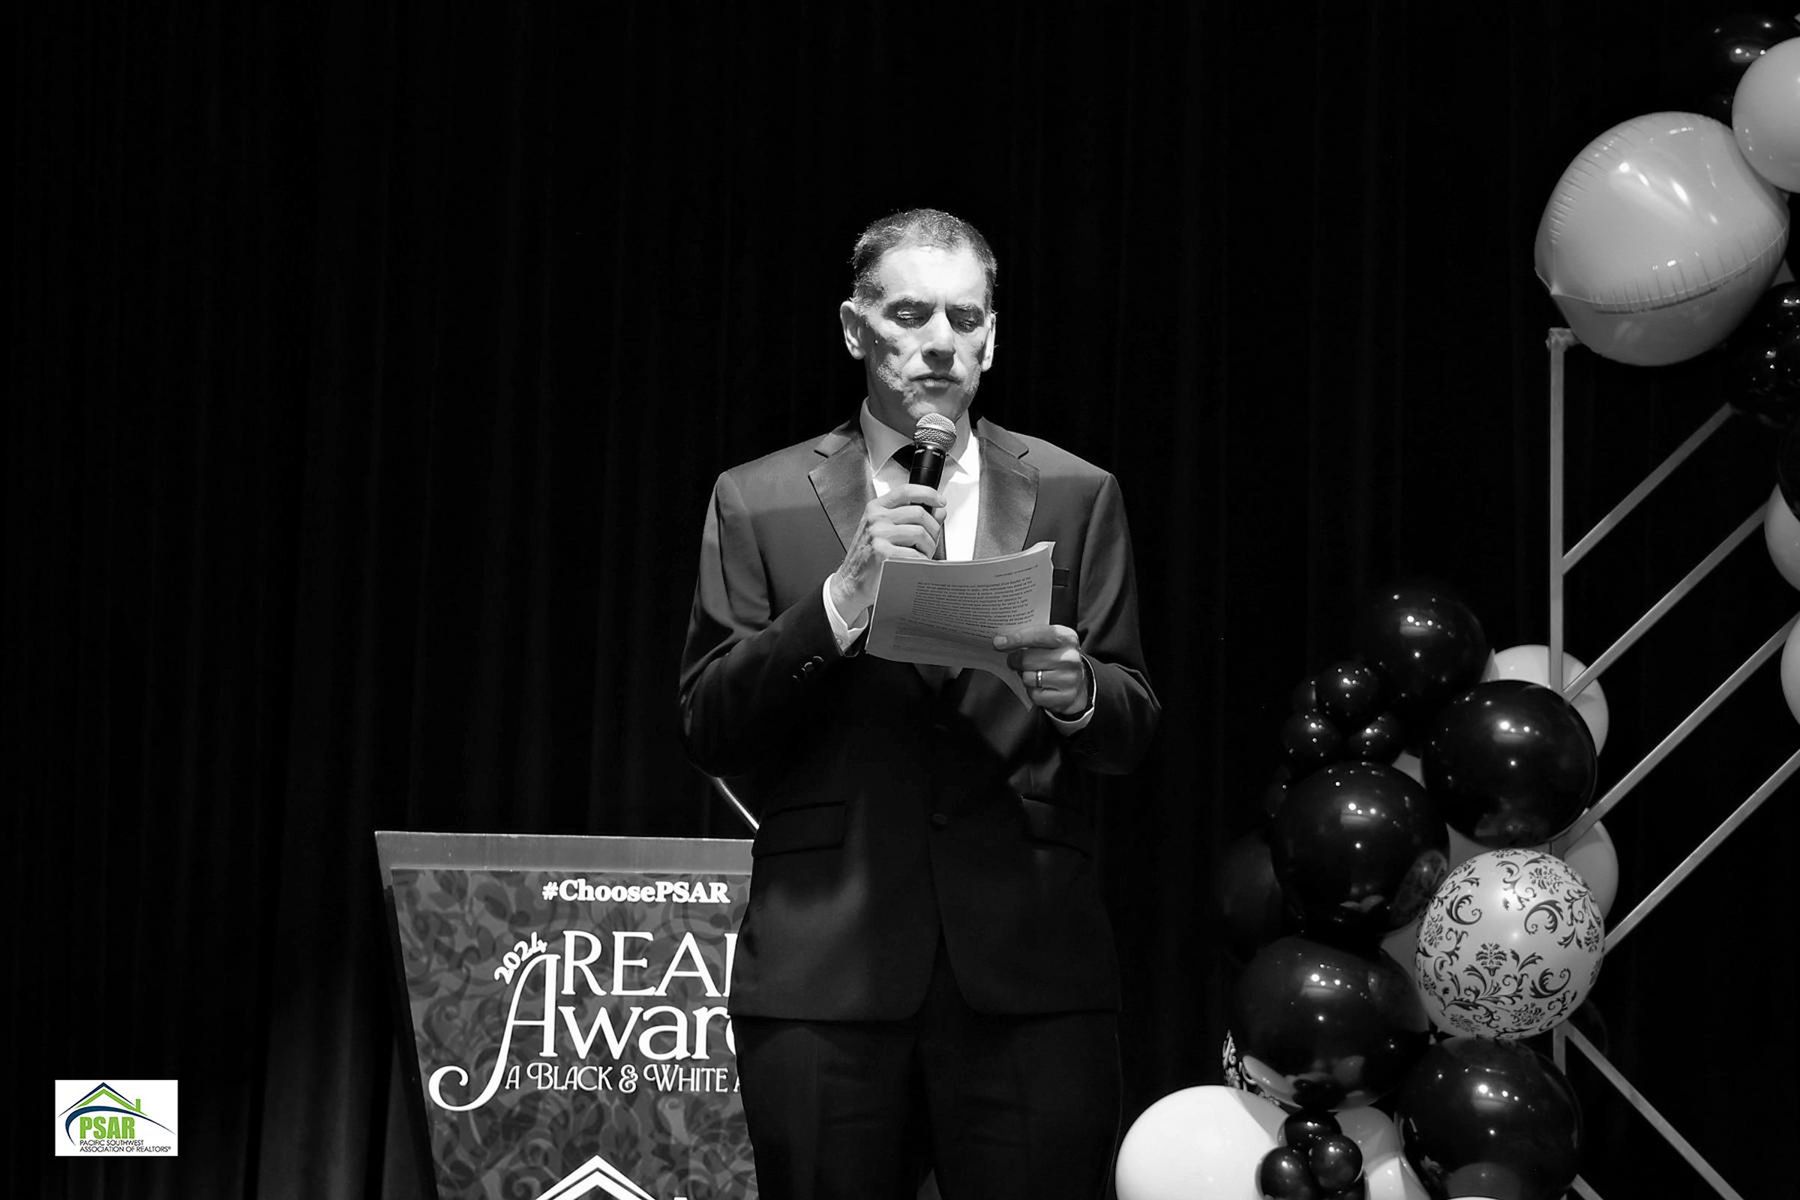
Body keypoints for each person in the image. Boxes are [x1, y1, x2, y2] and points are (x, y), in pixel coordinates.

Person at [677, 208, 1161, 1199]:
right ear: (855, 328)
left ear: (993, 336)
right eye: (909, 314)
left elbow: (1131, 720)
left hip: (1030, 972)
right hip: (826, 971)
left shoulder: (1076, 492)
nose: (940, 341)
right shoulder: (759, 497)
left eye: (964, 318)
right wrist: (839, 600)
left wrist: (1078, 694)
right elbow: (708, 723)